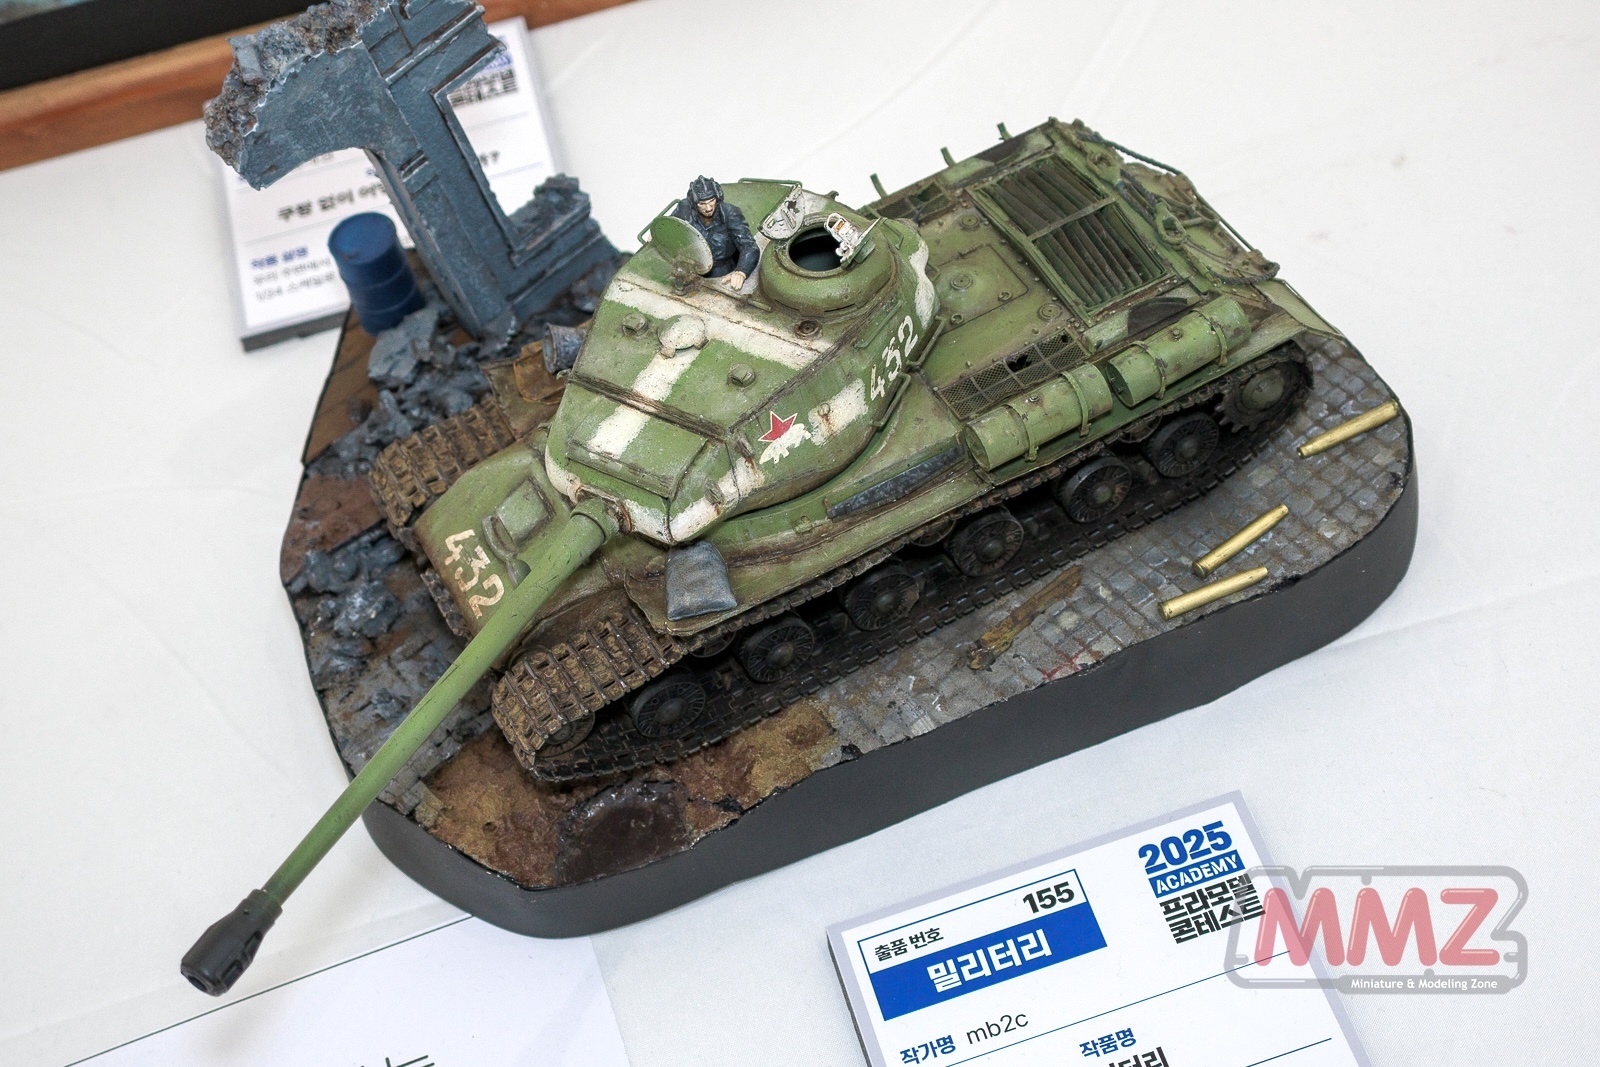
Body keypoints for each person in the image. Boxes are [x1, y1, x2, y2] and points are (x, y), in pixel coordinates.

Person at [671, 175, 759, 289]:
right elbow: (671, 224)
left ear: (718, 197)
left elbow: (749, 245)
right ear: (693, 203)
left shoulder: (730, 213)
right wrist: (658, 233)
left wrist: (741, 271)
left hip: (721, 269)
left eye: (711, 201)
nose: (708, 208)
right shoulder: (685, 208)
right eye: (702, 204)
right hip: (691, 264)